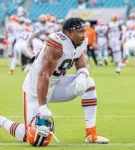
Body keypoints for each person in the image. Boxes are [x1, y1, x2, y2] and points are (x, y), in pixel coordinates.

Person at [0, 17, 109, 146]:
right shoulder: (57, 43)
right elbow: (44, 75)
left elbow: (82, 64)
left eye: (84, 31)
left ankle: (91, 133)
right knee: (31, 137)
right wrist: (42, 107)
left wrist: (81, 76)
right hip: (35, 90)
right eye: (80, 31)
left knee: (89, 83)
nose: (84, 35)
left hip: (57, 84)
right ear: (69, 32)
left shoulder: (81, 41)